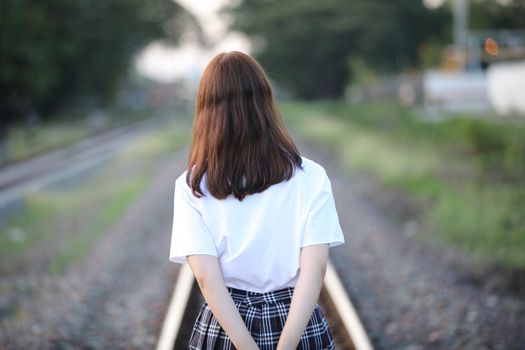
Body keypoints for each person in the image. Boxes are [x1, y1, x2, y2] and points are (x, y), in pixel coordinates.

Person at [169, 51, 345, 350]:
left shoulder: (192, 185)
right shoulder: (311, 177)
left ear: (206, 110)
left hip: (226, 329)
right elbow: (314, 272)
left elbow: (206, 280)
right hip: (298, 323)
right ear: (265, 103)